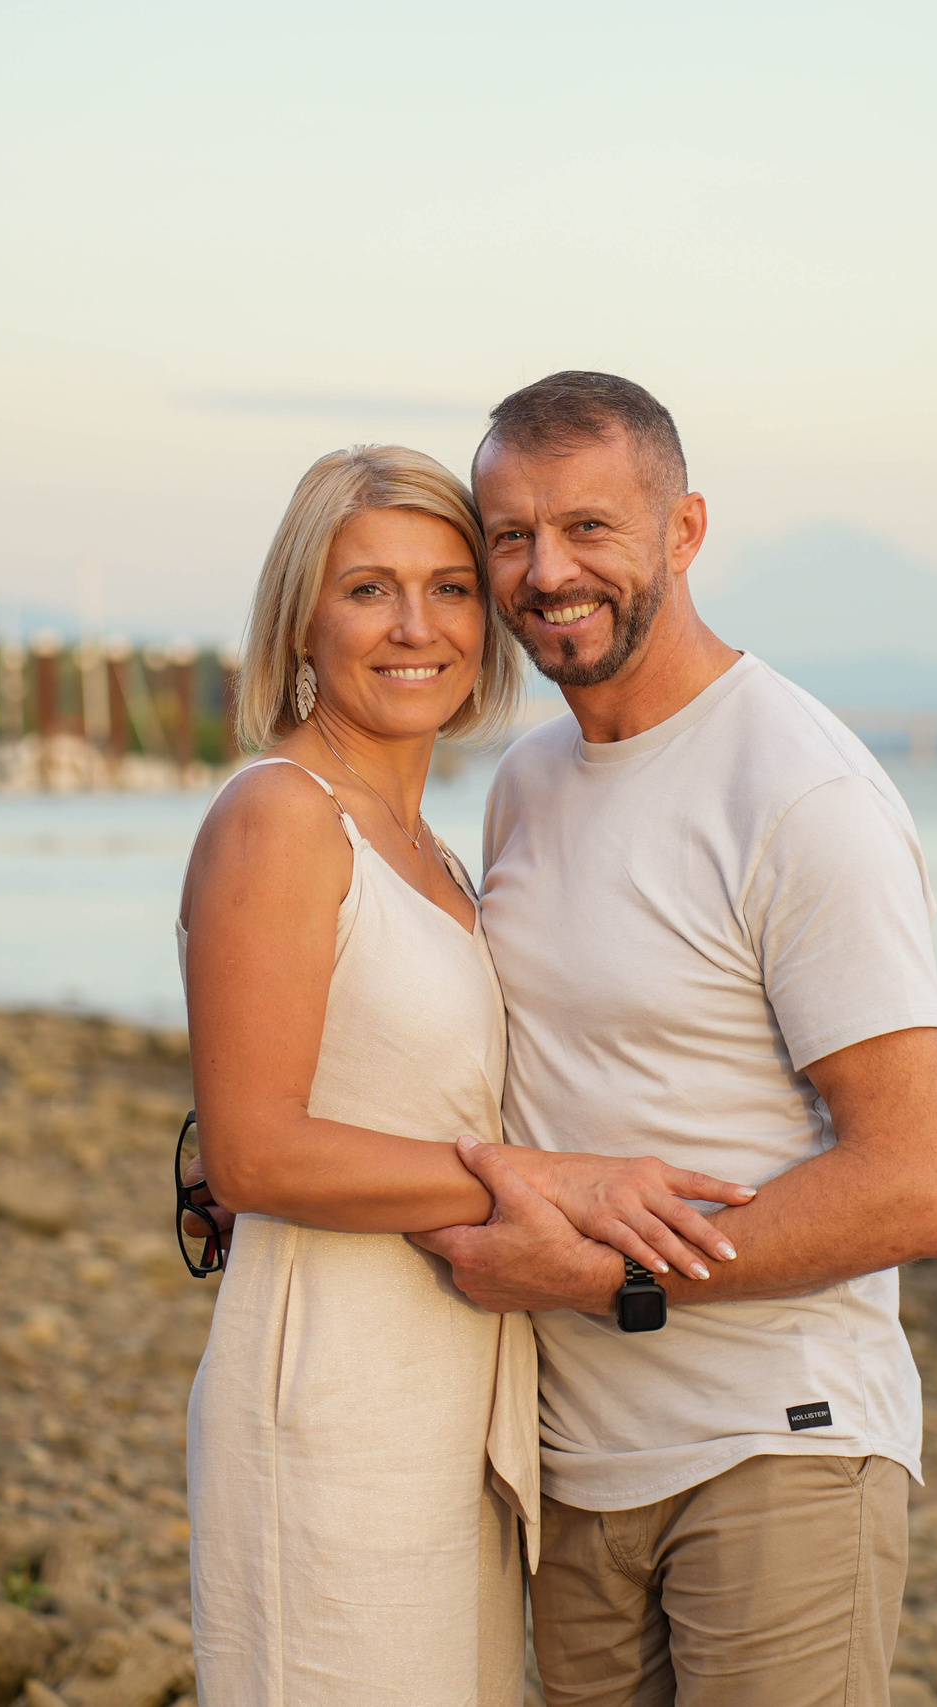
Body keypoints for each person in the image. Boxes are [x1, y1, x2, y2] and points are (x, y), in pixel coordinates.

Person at [410, 372, 937, 1707]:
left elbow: (915, 1181)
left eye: (591, 527)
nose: (549, 572)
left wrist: (603, 1276)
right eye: (511, 534)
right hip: (577, 1462)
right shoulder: (529, 784)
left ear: (684, 530)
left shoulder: (801, 790)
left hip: (778, 1445)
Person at [175, 443, 758, 1707]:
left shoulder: (439, 847)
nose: (415, 627)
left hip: (464, 1395)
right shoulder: (279, 816)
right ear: (300, 621)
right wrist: (544, 1179)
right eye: (368, 589)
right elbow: (254, 1154)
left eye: (448, 587)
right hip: (332, 1387)